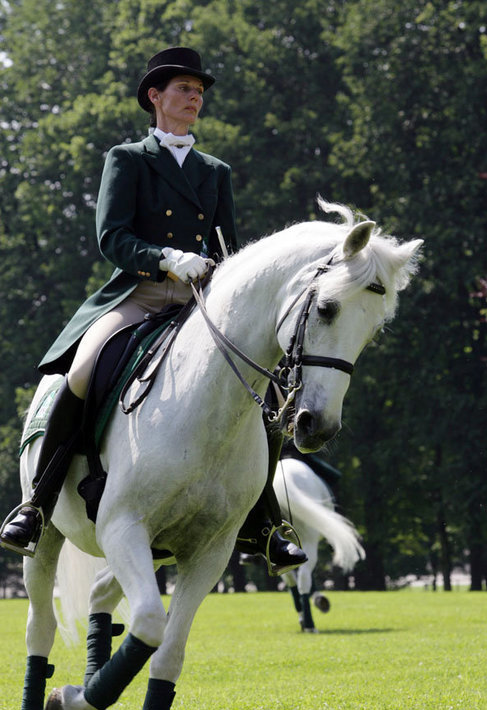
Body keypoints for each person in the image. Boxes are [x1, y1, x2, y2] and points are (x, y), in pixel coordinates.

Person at [0, 46, 306, 573]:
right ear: (155, 97)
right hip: (139, 295)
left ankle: (268, 523)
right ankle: (37, 504)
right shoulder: (128, 159)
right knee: (83, 371)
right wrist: (165, 258)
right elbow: (111, 237)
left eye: (200, 92)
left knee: (267, 393)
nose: (195, 99)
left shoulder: (216, 171)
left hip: (201, 305)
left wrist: (216, 272)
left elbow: (229, 247)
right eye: (185, 90)